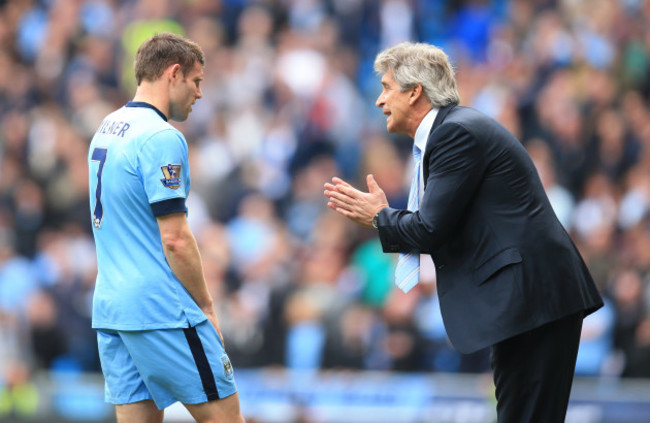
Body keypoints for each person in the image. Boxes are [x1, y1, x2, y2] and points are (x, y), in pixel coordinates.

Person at [324, 42, 603, 422]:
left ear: (414, 91)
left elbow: (429, 229)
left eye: (387, 87)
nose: (379, 100)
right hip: (528, 302)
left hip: (533, 300)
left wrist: (379, 217)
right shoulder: (453, 131)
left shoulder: (455, 134)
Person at [88, 33, 245, 423]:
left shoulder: (109, 125)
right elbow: (174, 238)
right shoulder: (161, 136)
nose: (199, 94)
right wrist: (206, 306)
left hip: (112, 307)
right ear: (174, 73)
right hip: (161, 309)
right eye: (197, 81)